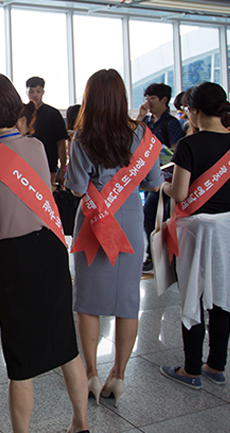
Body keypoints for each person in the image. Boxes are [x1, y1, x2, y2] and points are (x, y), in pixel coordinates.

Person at [0, 73, 92, 433]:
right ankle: (81, 427)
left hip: (14, 257)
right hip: (52, 248)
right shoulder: (37, 146)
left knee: (21, 353)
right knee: (64, 340)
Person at [66, 69, 162, 407]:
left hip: (94, 221)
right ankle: (118, 376)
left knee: (88, 300)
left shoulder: (80, 138)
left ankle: (91, 373)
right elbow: (153, 182)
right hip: (131, 220)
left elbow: (77, 188)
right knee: (127, 301)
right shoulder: (141, 136)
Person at [159, 82, 230, 389]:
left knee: (194, 295)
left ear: (195, 111)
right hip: (228, 225)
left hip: (196, 227)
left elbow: (181, 191)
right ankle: (216, 366)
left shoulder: (190, 145)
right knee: (220, 295)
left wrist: (164, 186)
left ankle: (191, 369)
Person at [139, 82, 185, 273]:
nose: (148, 102)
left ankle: (158, 256)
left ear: (164, 100)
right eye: (146, 98)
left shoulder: (170, 123)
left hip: (167, 178)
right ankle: (158, 255)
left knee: (155, 216)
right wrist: (140, 118)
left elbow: (177, 152)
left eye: (152, 98)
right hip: (151, 176)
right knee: (150, 217)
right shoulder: (148, 122)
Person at [26, 76, 68, 186]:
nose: (35, 95)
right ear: (27, 92)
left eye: (38, 91)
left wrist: (63, 168)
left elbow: (61, 142)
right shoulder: (22, 114)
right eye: (31, 91)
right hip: (26, 167)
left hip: (49, 166)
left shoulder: (53, 114)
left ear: (43, 92)